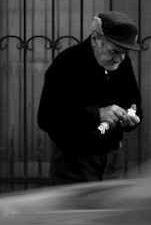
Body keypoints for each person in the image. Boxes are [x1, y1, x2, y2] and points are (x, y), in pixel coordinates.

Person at [37, 11, 143, 185]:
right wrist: (97, 113)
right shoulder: (67, 63)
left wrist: (132, 117)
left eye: (125, 53)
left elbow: (133, 103)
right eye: (114, 51)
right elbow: (46, 118)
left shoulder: (123, 63)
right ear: (95, 39)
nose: (119, 59)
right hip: (73, 165)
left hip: (112, 162)